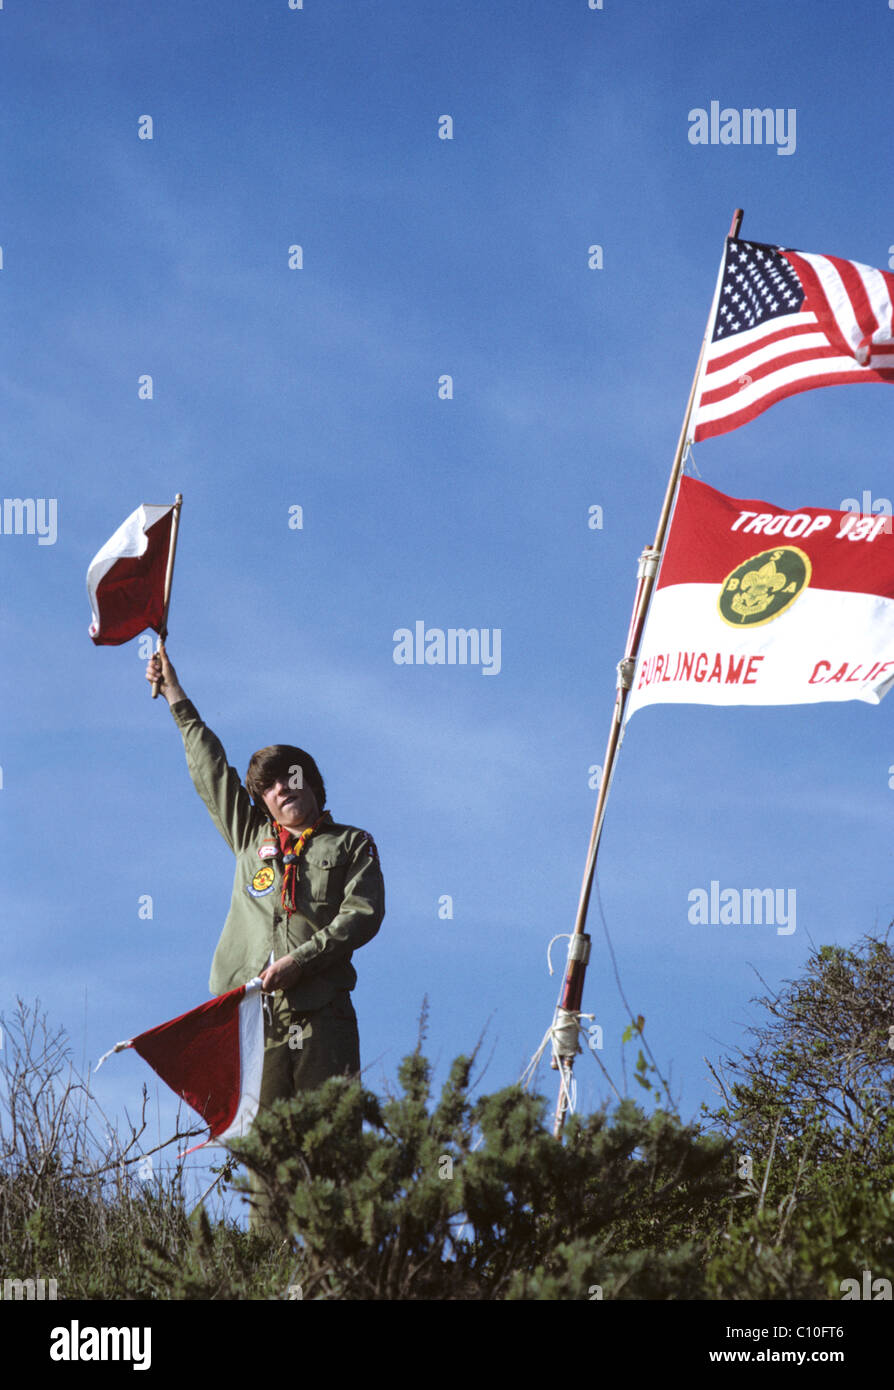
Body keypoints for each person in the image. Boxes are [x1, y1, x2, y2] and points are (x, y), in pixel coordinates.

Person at [145, 642, 384, 1224]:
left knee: (330, 1147)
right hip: (254, 1022)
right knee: (263, 1155)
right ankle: (269, 1271)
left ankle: (337, 1268)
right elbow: (210, 770)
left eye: (292, 777)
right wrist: (177, 698)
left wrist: (303, 960)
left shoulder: (350, 844)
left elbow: (363, 914)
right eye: (270, 785)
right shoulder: (252, 838)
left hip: (321, 1012)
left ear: (316, 786)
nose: (283, 788)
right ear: (263, 801)